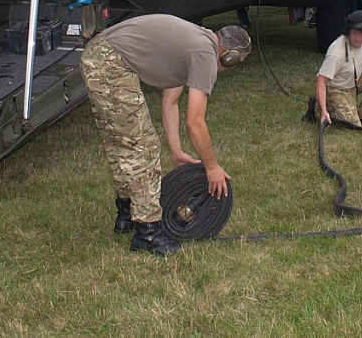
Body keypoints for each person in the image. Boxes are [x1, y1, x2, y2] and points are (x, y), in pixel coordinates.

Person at [79, 14, 251, 256]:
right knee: (142, 147)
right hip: (110, 62)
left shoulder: (197, 42)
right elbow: (195, 123)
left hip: (99, 54)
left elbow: (170, 102)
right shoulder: (205, 55)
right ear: (229, 56)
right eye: (236, 62)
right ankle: (147, 233)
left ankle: (126, 214)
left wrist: (176, 151)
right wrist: (211, 167)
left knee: (120, 143)